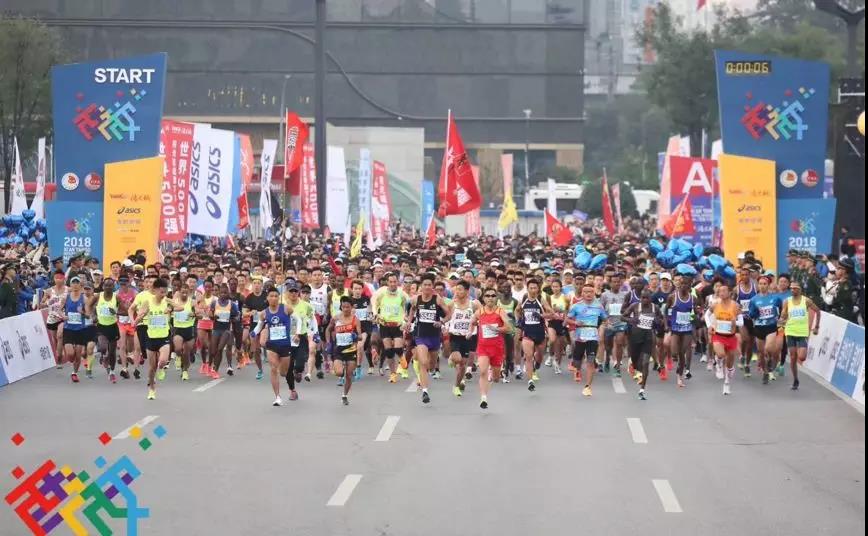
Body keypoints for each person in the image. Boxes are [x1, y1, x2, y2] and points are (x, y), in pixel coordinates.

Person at [407, 273, 451, 404]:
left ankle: (430, 371)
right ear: (421, 286)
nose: (427, 287)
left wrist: (441, 322)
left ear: (432, 286)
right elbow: (412, 311)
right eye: (425, 285)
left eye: (429, 285)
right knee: (423, 362)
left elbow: (449, 314)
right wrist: (409, 322)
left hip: (434, 336)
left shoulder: (437, 299)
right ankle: (425, 391)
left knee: (431, 365)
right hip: (420, 335)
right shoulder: (416, 299)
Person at [469, 288, 512, 409]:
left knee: (496, 378)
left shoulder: (500, 311)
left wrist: (497, 329)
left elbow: (509, 328)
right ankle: (483, 398)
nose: (490, 298)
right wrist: (470, 332)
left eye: (493, 296)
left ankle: (496, 375)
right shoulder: (480, 311)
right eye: (487, 296)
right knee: (483, 371)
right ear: (483, 298)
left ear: (496, 298)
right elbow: (472, 322)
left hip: (497, 348)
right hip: (483, 347)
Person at [133, 278, 174, 400]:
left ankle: (161, 369)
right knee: (151, 368)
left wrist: (171, 309)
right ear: (155, 290)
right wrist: (139, 318)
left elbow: (180, 307)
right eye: (161, 292)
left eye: (165, 292)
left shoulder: (167, 301)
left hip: (164, 336)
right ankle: (151, 388)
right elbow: (139, 316)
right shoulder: (147, 302)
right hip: (151, 337)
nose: (163, 294)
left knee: (162, 361)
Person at [778, 281, 821, 391]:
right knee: (793, 357)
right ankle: (795, 379)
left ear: (800, 289)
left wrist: (816, 326)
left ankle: (801, 349)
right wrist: (781, 320)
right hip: (790, 331)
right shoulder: (787, 301)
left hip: (802, 332)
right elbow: (783, 316)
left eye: (795, 288)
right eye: (791, 288)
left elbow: (817, 311)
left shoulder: (806, 301)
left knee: (802, 357)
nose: (792, 290)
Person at [566, 284, 607, 398]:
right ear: (582, 293)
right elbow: (566, 320)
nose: (588, 294)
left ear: (594, 293)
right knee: (577, 361)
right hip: (580, 336)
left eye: (591, 292)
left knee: (590, 361)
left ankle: (588, 386)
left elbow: (605, 319)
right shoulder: (576, 306)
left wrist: (605, 325)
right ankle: (577, 368)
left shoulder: (599, 306)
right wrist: (575, 322)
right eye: (586, 292)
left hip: (593, 336)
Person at [623, 289, 663, 400]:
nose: (645, 300)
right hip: (635, 337)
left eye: (647, 298)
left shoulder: (655, 308)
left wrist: (658, 321)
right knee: (636, 362)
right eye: (643, 298)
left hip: (648, 337)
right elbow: (623, 316)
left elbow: (661, 319)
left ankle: (642, 389)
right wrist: (631, 320)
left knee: (645, 362)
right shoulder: (635, 306)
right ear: (640, 298)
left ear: (651, 298)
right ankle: (634, 366)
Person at [260, 288, 296, 406]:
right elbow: (260, 326)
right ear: (267, 298)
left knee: (283, 373)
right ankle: (277, 397)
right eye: (271, 296)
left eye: (276, 296)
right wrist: (255, 333)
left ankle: (282, 368)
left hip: (285, 344)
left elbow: (297, 319)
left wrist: (296, 333)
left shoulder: (286, 308)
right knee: (273, 369)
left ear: (279, 297)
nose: (274, 298)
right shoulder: (264, 313)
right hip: (272, 345)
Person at [515, 278, 553, 392]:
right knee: (528, 356)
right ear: (527, 288)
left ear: (538, 289)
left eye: (535, 288)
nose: (533, 290)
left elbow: (551, 313)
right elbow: (517, 310)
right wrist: (519, 320)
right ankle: (530, 381)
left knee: (539, 356)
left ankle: (537, 364)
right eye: (530, 288)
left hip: (540, 332)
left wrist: (541, 316)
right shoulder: (524, 299)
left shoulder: (541, 299)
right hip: (527, 332)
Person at [326, 296, 363, 405]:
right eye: (343, 307)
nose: (345, 309)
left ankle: (345, 395)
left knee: (349, 375)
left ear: (351, 307)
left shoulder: (355, 320)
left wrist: (356, 336)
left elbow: (360, 336)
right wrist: (328, 342)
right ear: (341, 307)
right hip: (339, 349)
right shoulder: (336, 318)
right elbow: (328, 330)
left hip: (351, 350)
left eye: (348, 307)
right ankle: (336, 367)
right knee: (339, 373)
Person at [665, 276, 701, 388]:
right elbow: (666, 310)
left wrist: (698, 313)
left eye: (687, 284)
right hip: (675, 328)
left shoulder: (693, 299)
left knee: (682, 353)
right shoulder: (672, 297)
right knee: (674, 352)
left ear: (690, 286)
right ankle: (674, 360)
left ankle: (679, 376)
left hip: (687, 329)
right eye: (682, 284)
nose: (684, 286)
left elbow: (696, 311)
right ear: (679, 285)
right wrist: (666, 324)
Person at [748, 275, 783, 385]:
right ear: (758, 285)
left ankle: (770, 361)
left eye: (764, 284)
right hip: (759, 327)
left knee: (768, 349)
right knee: (761, 353)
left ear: (768, 285)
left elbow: (782, 309)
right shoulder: (754, 300)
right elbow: (750, 314)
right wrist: (754, 313)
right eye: (760, 284)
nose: (762, 286)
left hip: (771, 326)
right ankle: (765, 372)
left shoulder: (775, 298)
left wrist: (780, 317)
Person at [446, 280, 480, 398]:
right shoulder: (452, 304)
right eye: (456, 289)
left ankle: (456, 386)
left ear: (467, 291)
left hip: (467, 337)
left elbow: (482, 315)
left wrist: (477, 322)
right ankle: (452, 358)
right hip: (455, 336)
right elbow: (447, 317)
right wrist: (444, 326)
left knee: (462, 365)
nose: (457, 292)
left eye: (460, 289)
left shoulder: (474, 304)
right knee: (457, 358)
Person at [709, 284, 742, 396]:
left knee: (729, 364)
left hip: (730, 337)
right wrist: (710, 325)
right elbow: (707, 315)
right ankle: (718, 363)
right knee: (721, 354)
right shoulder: (715, 304)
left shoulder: (735, 306)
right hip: (718, 335)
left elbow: (741, 322)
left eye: (724, 291)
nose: (721, 293)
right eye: (719, 291)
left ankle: (726, 384)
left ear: (729, 293)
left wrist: (734, 322)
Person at [600, 272, 629, 377]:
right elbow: (601, 309)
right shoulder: (604, 295)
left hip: (621, 323)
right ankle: (607, 359)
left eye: (618, 282)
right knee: (608, 346)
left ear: (621, 283)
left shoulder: (625, 295)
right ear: (610, 283)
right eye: (614, 282)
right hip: (609, 323)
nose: (616, 284)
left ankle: (617, 367)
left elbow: (628, 308)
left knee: (619, 343)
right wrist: (605, 320)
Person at [61, 276, 90, 383]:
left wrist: (82, 312)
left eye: (77, 282)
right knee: (70, 354)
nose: (75, 285)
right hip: (68, 329)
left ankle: (74, 373)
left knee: (78, 355)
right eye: (73, 282)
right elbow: (59, 309)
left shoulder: (84, 298)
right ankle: (71, 360)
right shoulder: (66, 297)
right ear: (70, 284)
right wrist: (63, 316)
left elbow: (88, 315)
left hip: (80, 329)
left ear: (80, 285)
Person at [92, 278, 120, 383]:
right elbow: (89, 305)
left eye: (110, 285)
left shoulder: (116, 297)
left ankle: (112, 372)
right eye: (106, 285)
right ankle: (103, 355)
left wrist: (116, 312)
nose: (108, 287)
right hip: (101, 326)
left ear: (113, 287)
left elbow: (125, 309)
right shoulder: (97, 296)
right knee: (103, 347)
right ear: (103, 286)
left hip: (112, 326)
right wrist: (93, 316)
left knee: (112, 352)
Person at [40, 271, 68, 367]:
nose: (58, 280)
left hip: (63, 317)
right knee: (55, 339)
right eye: (56, 278)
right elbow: (41, 304)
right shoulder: (48, 291)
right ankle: (58, 354)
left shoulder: (68, 290)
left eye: (60, 278)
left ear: (64, 279)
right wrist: (47, 302)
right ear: (54, 279)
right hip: (52, 318)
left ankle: (59, 357)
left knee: (60, 335)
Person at [171, 283, 196, 382]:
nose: (184, 293)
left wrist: (194, 314)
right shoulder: (175, 302)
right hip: (178, 328)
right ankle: (178, 356)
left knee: (186, 353)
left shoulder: (192, 302)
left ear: (188, 292)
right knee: (178, 348)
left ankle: (185, 370)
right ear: (179, 292)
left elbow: (200, 314)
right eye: (182, 291)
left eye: (186, 291)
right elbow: (168, 310)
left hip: (189, 329)